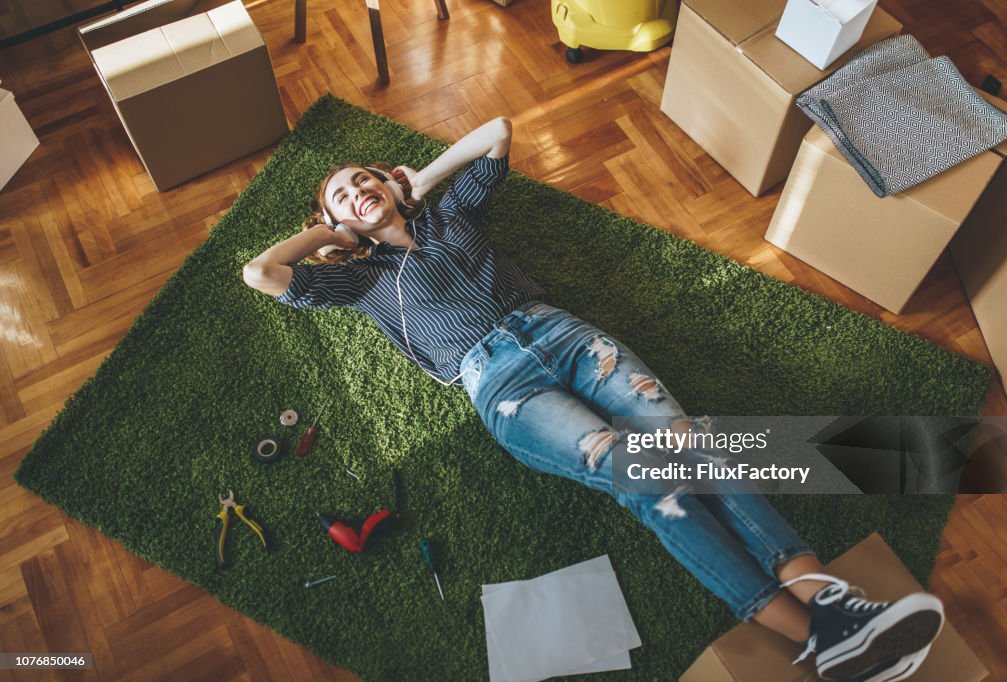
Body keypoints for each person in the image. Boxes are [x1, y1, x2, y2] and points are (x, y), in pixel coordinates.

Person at [243, 117, 943, 681]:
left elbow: (495, 131)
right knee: (644, 479)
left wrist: (412, 182)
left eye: (366, 177)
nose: (359, 188)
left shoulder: (450, 212)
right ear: (338, 224)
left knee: (685, 443)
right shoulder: (358, 280)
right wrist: (333, 232)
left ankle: (832, 606)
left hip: (566, 335)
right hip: (501, 384)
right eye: (343, 192)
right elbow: (261, 272)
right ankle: (820, 640)